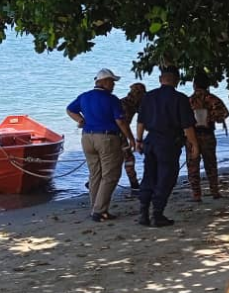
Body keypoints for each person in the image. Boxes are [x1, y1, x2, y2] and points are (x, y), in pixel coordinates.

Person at [66, 69, 135, 223]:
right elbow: (120, 121)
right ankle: (99, 210)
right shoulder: (112, 99)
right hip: (107, 138)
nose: (113, 85)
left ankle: (95, 208)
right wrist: (131, 138)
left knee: (95, 174)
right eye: (112, 81)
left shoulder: (84, 96)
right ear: (103, 82)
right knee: (111, 174)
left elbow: (69, 109)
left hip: (87, 137)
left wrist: (80, 120)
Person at [135, 66, 199, 227]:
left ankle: (143, 213)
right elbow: (187, 126)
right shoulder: (180, 99)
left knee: (149, 175)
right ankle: (157, 214)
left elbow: (140, 121)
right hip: (169, 142)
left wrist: (138, 140)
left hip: (151, 141)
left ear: (160, 80)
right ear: (177, 80)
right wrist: (194, 145)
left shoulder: (148, 97)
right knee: (166, 178)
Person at [187, 71, 229, 201]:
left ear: (194, 85)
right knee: (211, 164)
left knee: (193, 166)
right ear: (207, 85)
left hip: (192, 136)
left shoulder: (188, 101)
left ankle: (196, 194)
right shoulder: (214, 99)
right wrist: (209, 117)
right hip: (208, 135)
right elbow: (222, 116)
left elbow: (181, 121)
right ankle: (214, 192)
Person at [119, 82, 147, 194]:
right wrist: (132, 139)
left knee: (111, 160)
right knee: (129, 159)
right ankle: (134, 186)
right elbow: (123, 124)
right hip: (118, 135)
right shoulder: (127, 105)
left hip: (116, 135)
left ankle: (93, 180)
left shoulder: (129, 103)